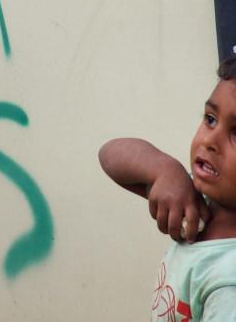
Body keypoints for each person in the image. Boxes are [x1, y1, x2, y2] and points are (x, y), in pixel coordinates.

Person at [99, 59, 236, 319]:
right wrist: (163, 169)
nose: (210, 140)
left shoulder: (229, 286)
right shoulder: (199, 198)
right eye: (210, 119)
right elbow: (110, 155)